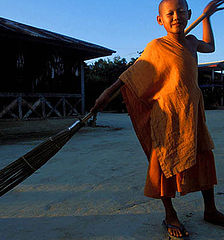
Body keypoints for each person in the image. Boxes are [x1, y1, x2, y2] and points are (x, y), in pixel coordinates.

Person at [91, 0, 224, 239]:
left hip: (193, 110)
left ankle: (210, 209)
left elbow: (212, 47)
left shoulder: (192, 42)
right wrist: (106, 94)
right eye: (170, 13)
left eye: (181, 12)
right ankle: (170, 213)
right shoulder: (156, 47)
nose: (176, 17)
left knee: (204, 154)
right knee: (163, 161)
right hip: (167, 113)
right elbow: (129, 74)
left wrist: (207, 17)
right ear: (160, 20)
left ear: (188, 14)